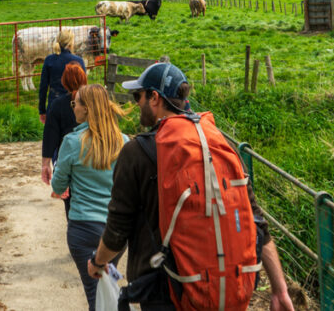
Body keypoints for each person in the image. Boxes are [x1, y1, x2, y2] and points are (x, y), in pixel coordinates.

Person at [87, 62, 295, 311]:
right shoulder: (218, 143)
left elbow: (117, 231)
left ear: (155, 98)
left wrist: (97, 262)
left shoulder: (136, 153)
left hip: (164, 292)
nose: (136, 103)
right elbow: (256, 221)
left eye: (138, 95)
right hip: (222, 288)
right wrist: (280, 289)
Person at [51, 84, 128, 311]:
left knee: (96, 296)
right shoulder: (124, 142)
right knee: (104, 291)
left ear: (86, 110)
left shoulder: (73, 142)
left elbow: (58, 184)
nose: (73, 108)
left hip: (83, 229)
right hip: (117, 230)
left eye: (75, 103)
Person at [41, 61, 86, 215]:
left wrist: (45, 164)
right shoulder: (92, 103)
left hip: (65, 158)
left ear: (64, 82)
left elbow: (50, 135)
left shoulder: (57, 105)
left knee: (70, 204)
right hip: (91, 156)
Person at [38, 29, 85, 123]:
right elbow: (83, 88)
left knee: (53, 135)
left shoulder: (49, 60)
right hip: (73, 105)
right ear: (71, 43)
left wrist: (42, 110)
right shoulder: (78, 61)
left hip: (54, 103)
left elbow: (43, 87)